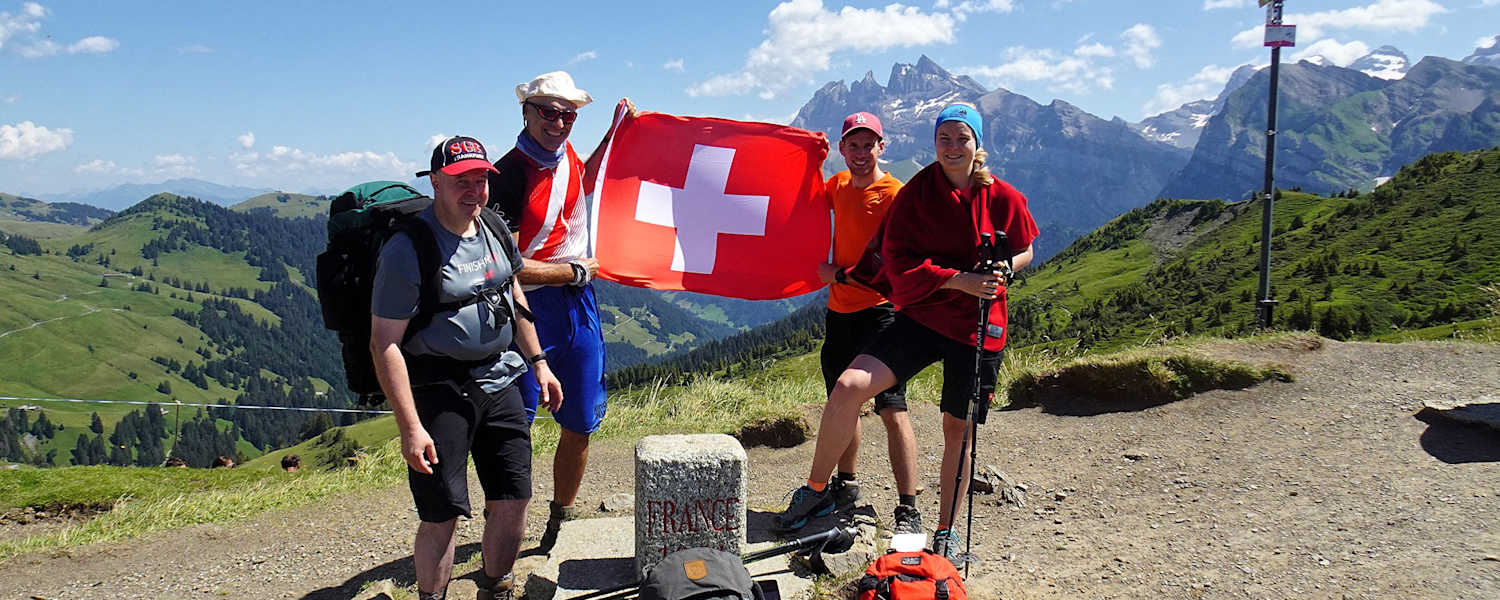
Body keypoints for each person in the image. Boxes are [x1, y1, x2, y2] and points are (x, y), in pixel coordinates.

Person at [775, 104, 1038, 560]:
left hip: (976, 326)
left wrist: (1006, 269)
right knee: (848, 386)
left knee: (957, 428)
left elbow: (1025, 248)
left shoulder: (1002, 197)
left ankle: (945, 531)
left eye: (962, 139)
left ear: (977, 144)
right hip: (923, 315)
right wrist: (959, 280)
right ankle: (817, 489)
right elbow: (898, 261)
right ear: (934, 143)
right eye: (944, 139)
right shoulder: (918, 192)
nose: (952, 148)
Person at [371, 135, 563, 600]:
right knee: (442, 513)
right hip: (438, 387)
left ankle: (497, 588)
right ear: (436, 182)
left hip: (499, 376)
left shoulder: (493, 226)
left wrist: (539, 363)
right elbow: (384, 344)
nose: (474, 191)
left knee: (514, 497)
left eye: (481, 180)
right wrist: (411, 428)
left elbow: (512, 295)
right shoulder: (409, 248)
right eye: (462, 181)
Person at [487, 71, 633, 552]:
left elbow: (580, 180)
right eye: (548, 112)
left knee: (580, 419)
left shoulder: (565, 154)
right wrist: (570, 272)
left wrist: (614, 134)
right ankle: (503, 531)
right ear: (526, 112)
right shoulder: (508, 176)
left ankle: (560, 520)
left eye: (568, 114)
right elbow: (503, 266)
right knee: (515, 427)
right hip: (525, 309)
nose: (558, 122)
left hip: (577, 306)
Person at [777, 112, 921, 534]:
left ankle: (908, 506)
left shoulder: (895, 194)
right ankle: (846, 485)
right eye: (852, 145)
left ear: (882, 147)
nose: (860, 153)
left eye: (868, 145)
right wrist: (804, 153)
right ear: (842, 149)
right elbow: (793, 199)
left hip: (880, 314)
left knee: (892, 409)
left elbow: (898, 265)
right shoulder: (837, 185)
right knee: (842, 405)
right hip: (839, 314)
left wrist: (839, 275)